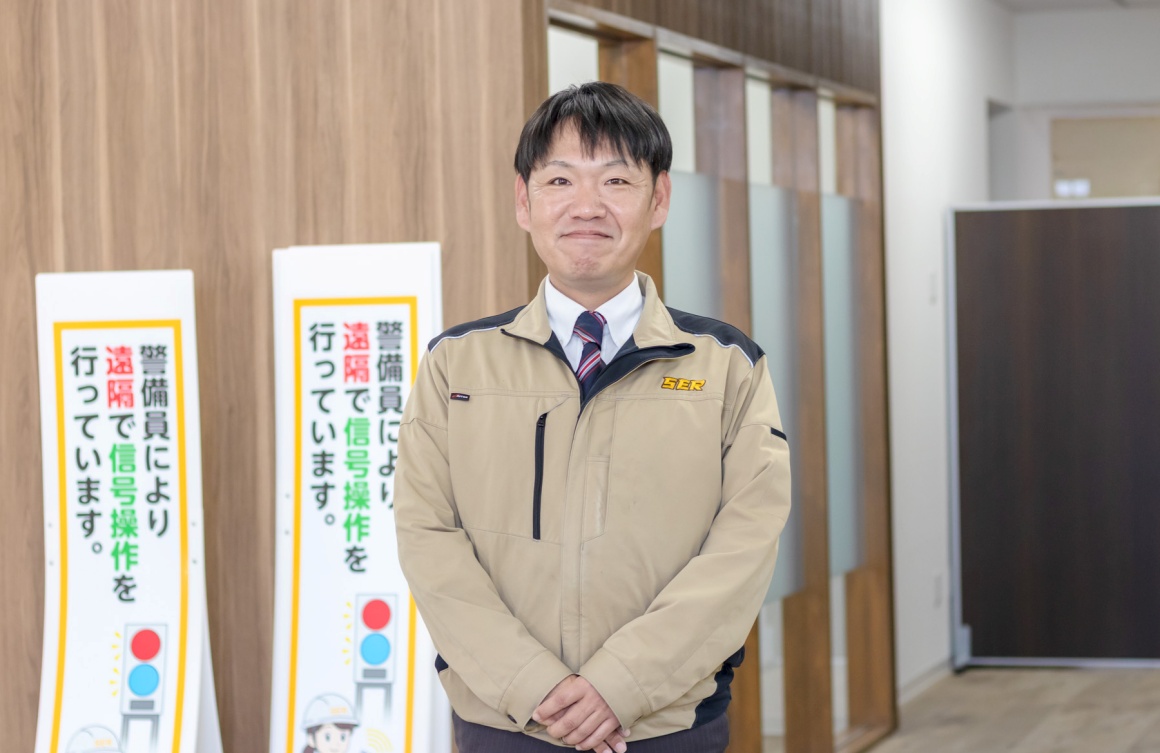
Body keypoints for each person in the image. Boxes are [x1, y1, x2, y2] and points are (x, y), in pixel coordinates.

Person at [395, 81, 790, 753]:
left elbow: (745, 544)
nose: (586, 206)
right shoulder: (455, 365)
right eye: (560, 180)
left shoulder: (728, 365)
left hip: (664, 724)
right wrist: (532, 685)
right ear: (523, 201)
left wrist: (621, 684)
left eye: (616, 180)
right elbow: (427, 535)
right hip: (508, 724)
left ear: (658, 199)